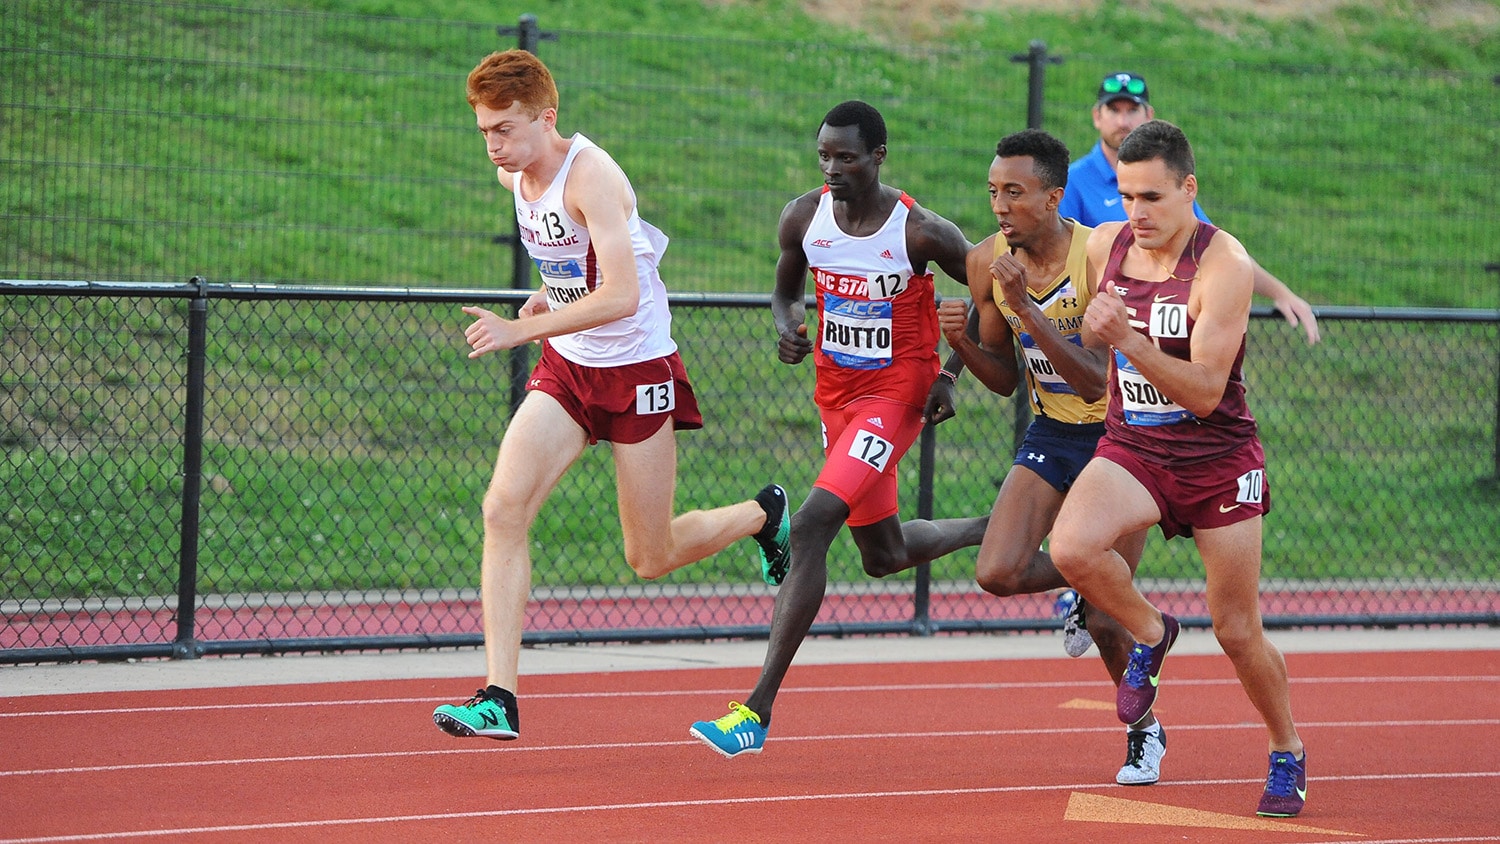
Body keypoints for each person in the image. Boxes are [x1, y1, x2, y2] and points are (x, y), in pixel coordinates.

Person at [431, 50, 792, 742]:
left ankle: (761, 514)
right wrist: (547, 297)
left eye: (505, 129)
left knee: (647, 557)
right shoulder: (514, 172)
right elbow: (577, 266)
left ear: (547, 117)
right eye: (484, 131)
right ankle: (498, 696)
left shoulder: (592, 175)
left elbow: (623, 295)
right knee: (503, 509)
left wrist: (514, 330)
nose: (494, 145)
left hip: (636, 371)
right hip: (569, 366)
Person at [687, 100, 979, 758]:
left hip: (897, 392)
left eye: (846, 156)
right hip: (836, 397)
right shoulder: (803, 216)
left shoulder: (920, 232)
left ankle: (754, 711)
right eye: (824, 155)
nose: (832, 167)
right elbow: (783, 292)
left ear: (878, 156)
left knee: (815, 521)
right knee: (884, 556)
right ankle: (996, 527)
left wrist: (951, 374)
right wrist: (787, 326)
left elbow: (992, 296)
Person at [1049, 119, 1307, 818]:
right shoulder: (1107, 243)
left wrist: (1127, 338)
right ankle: (1153, 631)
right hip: (1135, 450)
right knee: (1071, 547)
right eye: (1128, 195)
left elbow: (1204, 392)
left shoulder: (1223, 265)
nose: (1137, 212)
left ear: (1189, 189)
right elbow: (1031, 242)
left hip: (1218, 462)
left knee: (1236, 629)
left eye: (1154, 197)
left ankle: (1286, 749)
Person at [906, 128, 1168, 786]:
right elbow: (1001, 375)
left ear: (1053, 199)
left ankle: (1143, 731)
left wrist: (1025, 305)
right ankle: (1081, 579)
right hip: (1053, 432)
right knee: (996, 571)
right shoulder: (986, 260)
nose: (999, 206)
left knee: (1112, 622)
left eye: (1014, 194)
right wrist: (958, 346)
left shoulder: (1100, 255)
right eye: (993, 191)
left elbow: (1098, 381)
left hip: (1124, 437)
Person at [1058, 71, 1320, 345]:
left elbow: (1213, 248)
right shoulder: (1074, 182)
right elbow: (1060, 266)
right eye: (1113, 110)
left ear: (1149, 115)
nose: (1123, 121)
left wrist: (1280, 291)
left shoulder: (1169, 182)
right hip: (1102, 344)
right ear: (1096, 116)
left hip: (1163, 334)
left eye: (1132, 110)